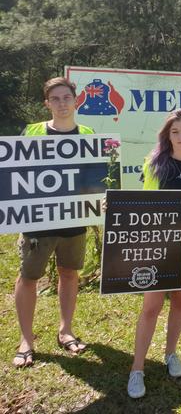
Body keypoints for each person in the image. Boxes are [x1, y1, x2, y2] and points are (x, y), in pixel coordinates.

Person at [127, 109, 181, 399]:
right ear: (167, 136)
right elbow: (144, 204)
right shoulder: (154, 165)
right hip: (160, 245)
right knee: (151, 307)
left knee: (179, 301)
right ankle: (137, 368)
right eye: (174, 132)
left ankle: (170, 353)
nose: (180, 137)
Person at [12, 77, 93, 368]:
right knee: (29, 277)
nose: (62, 103)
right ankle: (26, 340)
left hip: (74, 219)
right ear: (47, 103)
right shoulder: (31, 132)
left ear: (76, 100)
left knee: (69, 273)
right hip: (38, 220)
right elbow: (14, 176)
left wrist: (101, 197)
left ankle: (66, 330)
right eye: (55, 99)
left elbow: (92, 179)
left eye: (66, 98)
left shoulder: (88, 134)